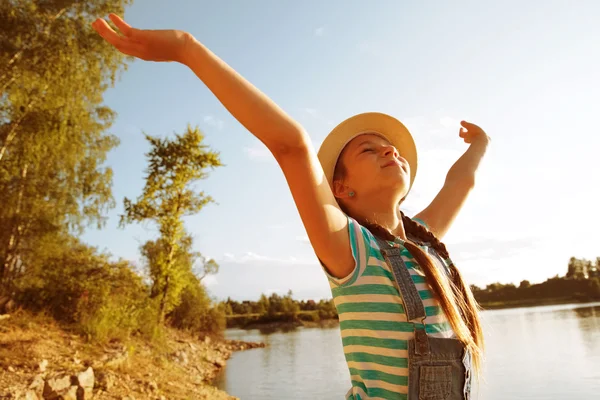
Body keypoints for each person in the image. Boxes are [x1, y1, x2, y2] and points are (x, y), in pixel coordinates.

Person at [93, 14, 490, 400]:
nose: (389, 149)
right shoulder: (351, 249)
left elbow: (461, 182)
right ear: (341, 187)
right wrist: (187, 48)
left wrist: (480, 145)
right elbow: (291, 145)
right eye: (368, 149)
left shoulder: (426, 243)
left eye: (393, 148)